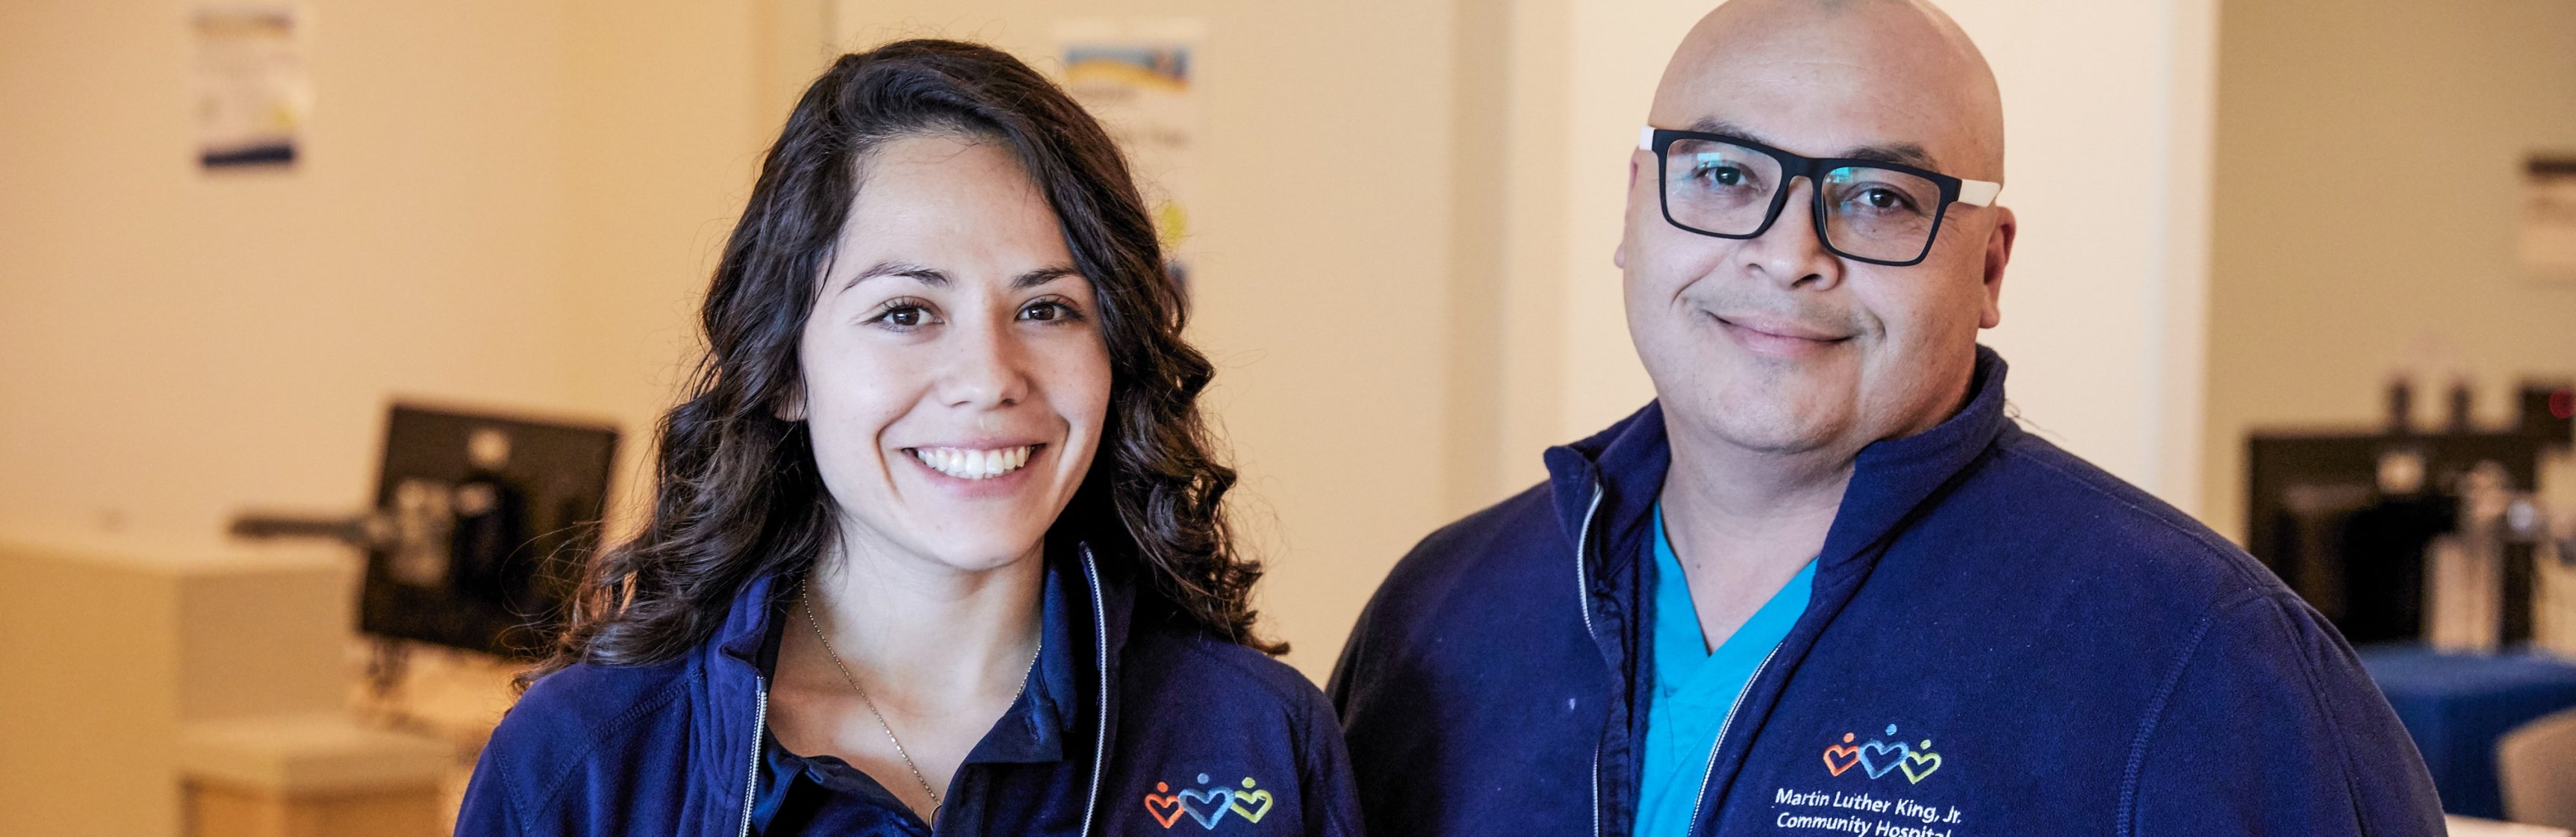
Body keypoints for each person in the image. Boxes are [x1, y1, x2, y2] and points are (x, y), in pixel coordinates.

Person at [1328, 1, 2444, 835]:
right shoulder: (1444, 613)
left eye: (1875, 198)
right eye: (1721, 174)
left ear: (1989, 265)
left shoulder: (2203, 660)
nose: (1785, 253)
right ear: (1634, 207)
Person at [458, 40, 1360, 837]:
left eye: (1046, 307)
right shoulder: (584, 760)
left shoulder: (1257, 739)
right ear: (783, 372)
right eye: (906, 311)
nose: (989, 376)